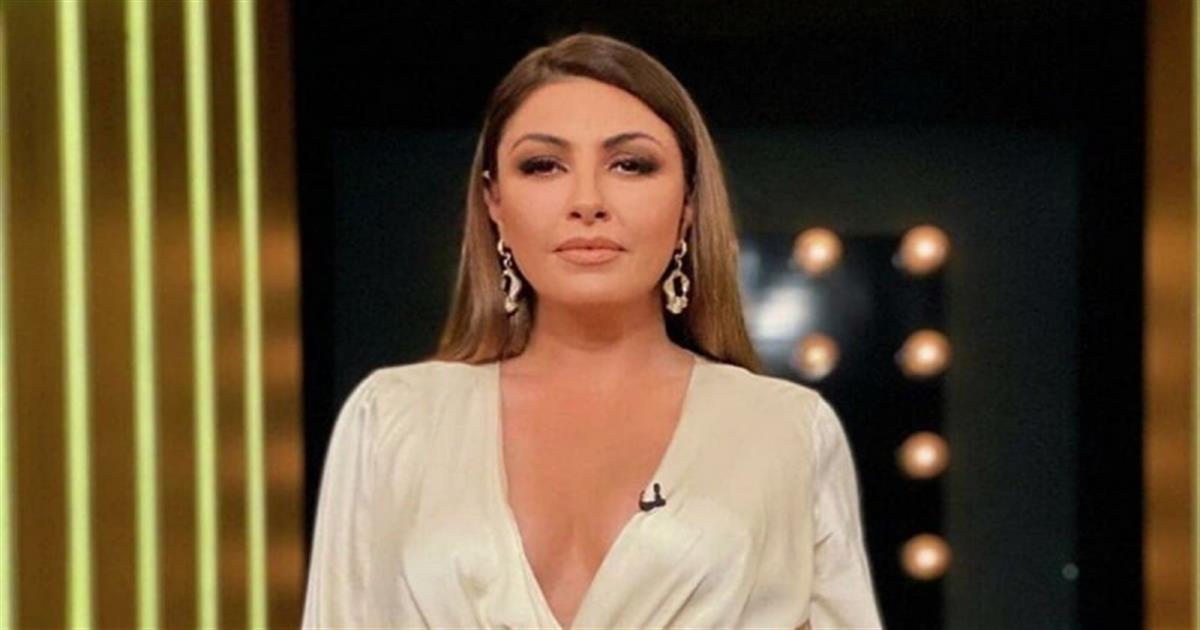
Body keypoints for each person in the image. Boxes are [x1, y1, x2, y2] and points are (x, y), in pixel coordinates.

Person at [301, 32, 882, 630]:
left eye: (630, 164)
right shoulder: (392, 419)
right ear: (494, 202)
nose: (587, 201)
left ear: (688, 202)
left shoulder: (787, 430)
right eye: (543, 165)